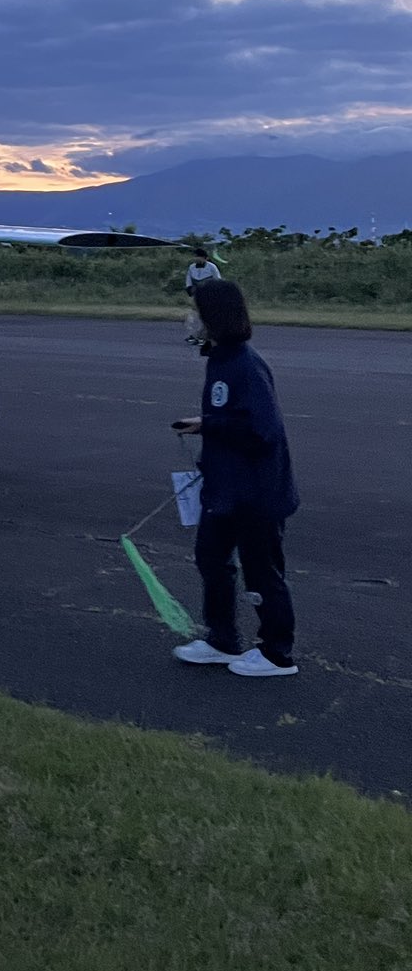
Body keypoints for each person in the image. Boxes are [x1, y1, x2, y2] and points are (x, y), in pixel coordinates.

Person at [171, 280, 299, 678]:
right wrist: (206, 424)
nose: (189, 320)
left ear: (215, 317)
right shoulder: (220, 359)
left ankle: (278, 652)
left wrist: (212, 423)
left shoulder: (245, 363)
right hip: (224, 490)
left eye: (196, 312)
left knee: (262, 570)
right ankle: (221, 639)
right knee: (211, 559)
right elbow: (234, 420)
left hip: (255, 493)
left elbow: (263, 431)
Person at [184, 244, 221, 344]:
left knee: (207, 316)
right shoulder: (192, 267)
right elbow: (188, 279)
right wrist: (189, 288)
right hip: (197, 294)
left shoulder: (212, 267)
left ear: (205, 258)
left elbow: (218, 280)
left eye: (198, 256)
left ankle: (203, 336)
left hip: (209, 295)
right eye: (195, 256)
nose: (196, 258)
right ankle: (197, 335)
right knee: (197, 316)